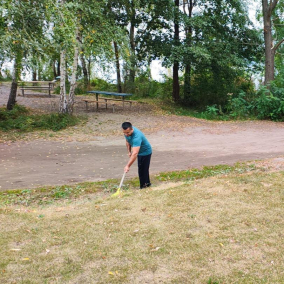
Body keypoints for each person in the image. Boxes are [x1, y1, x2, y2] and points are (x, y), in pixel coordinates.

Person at [122, 122, 152, 189]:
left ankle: (144, 187)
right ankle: (147, 184)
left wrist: (128, 166)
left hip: (145, 152)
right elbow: (127, 141)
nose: (126, 134)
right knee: (143, 169)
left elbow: (135, 153)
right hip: (139, 151)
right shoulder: (126, 132)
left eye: (128, 133)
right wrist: (129, 151)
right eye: (124, 133)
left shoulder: (137, 136)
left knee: (142, 170)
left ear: (132, 129)